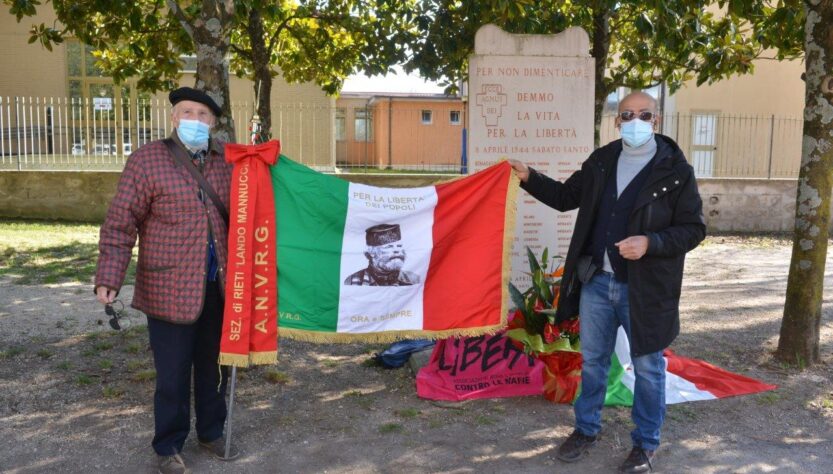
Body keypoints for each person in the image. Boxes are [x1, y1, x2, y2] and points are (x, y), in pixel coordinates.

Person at [509, 91, 705, 473]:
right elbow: (567, 197)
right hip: (597, 283)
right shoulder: (602, 161)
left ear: (657, 120)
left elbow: (694, 229)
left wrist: (651, 242)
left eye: (644, 115)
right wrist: (529, 177)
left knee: (648, 367)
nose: (635, 121)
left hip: (645, 289)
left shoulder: (676, 170)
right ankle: (586, 429)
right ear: (617, 121)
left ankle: (646, 444)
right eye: (627, 114)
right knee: (593, 362)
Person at [94, 87, 238, 474]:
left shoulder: (229, 160)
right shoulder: (147, 160)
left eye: (203, 115)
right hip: (168, 288)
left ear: (213, 122)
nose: (195, 120)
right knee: (173, 374)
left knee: (214, 368)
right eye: (187, 113)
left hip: (219, 286)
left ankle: (211, 431)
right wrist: (110, 276)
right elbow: (121, 222)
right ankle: (169, 445)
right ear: (173, 118)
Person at [344, 223, 421, 286]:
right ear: (371, 253)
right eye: (389, 247)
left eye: (399, 246)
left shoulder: (414, 279)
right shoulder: (352, 282)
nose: (397, 250)